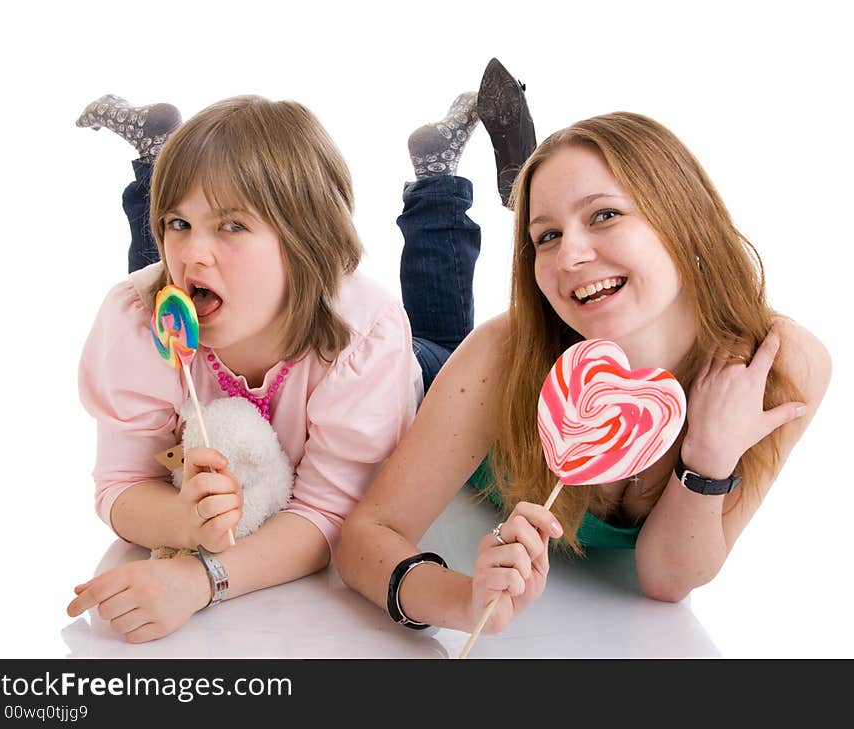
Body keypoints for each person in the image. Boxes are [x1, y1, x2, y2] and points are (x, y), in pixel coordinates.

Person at [336, 98, 831, 637]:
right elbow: (368, 534)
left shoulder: (779, 369)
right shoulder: (503, 355)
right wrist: (463, 601)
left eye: (605, 215)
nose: (569, 256)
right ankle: (437, 178)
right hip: (432, 385)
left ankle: (487, 177)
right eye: (546, 235)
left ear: (684, 218)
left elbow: (667, 581)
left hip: (480, 372)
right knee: (429, 345)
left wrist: (709, 460)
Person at [66, 83, 498, 643]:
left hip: (404, 365)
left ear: (305, 242)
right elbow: (121, 483)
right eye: (177, 223)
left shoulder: (364, 336)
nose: (191, 252)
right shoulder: (137, 316)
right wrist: (184, 520)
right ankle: (158, 158)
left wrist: (200, 577)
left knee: (445, 336)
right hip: (248, 309)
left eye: (232, 225)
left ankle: (436, 176)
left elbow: (328, 517)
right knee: (180, 279)